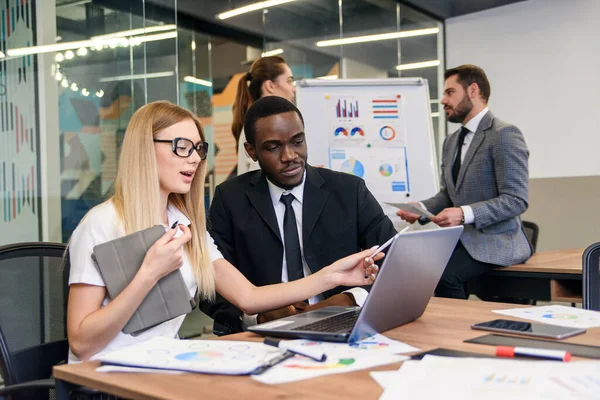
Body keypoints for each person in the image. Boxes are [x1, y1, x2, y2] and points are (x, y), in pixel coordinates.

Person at [67, 101, 382, 363]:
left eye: (198, 148)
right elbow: (82, 343)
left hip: (160, 368)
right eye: (180, 147)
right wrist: (149, 273)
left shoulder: (184, 225)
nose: (193, 158)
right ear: (144, 151)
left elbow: (248, 296)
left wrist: (333, 276)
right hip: (104, 381)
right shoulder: (103, 223)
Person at [201, 96, 397, 334]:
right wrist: (258, 314)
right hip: (262, 335)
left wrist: (348, 299)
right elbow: (208, 283)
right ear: (251, 151)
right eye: (273, 147)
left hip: (344, 323)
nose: (289, 156)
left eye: (297, 141)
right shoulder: (230, 198)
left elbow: (394, 259)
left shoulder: (349, 191)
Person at [397, 64, 532, 299]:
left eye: (450, 92)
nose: (442, 100)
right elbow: (449, 194)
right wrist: (423, 209)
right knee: (415, 270)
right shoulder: (451, 142)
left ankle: (454, 334)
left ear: (472, 90)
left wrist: (462, 214)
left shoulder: (504, 135)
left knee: (443, 275)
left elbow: (516, 200)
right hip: (462, 241)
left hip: (498, 243)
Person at [232, 55, 295, 175]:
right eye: (289, 81)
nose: (293, 89)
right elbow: (266, 177)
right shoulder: (260, 126)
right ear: (270, 86)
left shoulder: (258, 123)